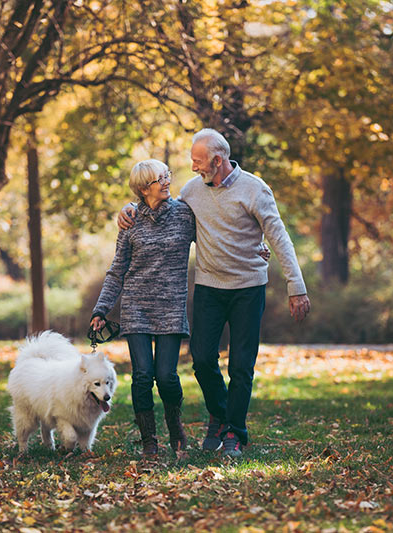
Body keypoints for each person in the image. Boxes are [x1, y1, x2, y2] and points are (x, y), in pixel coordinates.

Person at [118, 128, 311, 458]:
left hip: (248, 288)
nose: (192, 168)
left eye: (198, 161)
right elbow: (163, 216)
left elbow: (279, 238)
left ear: (217, 161)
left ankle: (235, 431)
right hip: (209, 287)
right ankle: (220, 415)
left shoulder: (255, 190)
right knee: (203, 358)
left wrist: (297, 288)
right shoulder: (192, 192)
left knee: (240, 365)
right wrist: (128, 209)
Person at [91, 159, 196, 457]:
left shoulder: (185, 215)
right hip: (136, 306)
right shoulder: (131, 220)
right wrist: (101, 310)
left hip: (171, 307)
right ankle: (149, 439)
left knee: (166, 376)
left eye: (166, 176)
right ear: (142, 188)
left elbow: (215, 240)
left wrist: (254, 249)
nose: (166, 182)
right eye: (157, 179)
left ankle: (175, 426)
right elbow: (117, 269)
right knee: (141, 376)